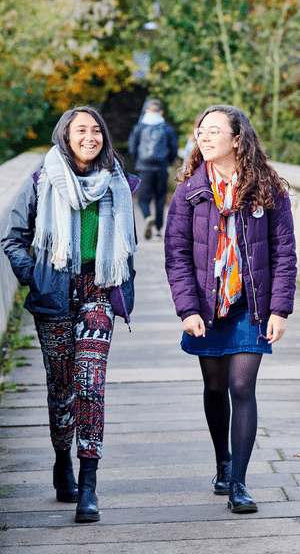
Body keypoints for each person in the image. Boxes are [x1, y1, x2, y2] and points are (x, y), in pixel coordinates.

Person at [1, 106, 137, 524]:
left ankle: (89, 486)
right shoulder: (43, 180)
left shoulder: (117, 181)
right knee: (62, 389)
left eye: (96, 130)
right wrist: (36, 277)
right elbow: (14, 236)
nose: (90, 136)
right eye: (81, 130)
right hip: (55, 292)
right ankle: (63, 462)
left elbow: (128, 244)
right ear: (66, 135)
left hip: (99, 289)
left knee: (91, 384)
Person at [164, 104, 297, 513]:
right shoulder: (189, 190)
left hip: (250, 306)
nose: (204, 137)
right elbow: (177, 255)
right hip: (206, 306)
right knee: (215, 387)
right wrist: (187, 310)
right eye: (201, 131)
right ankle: (222, 460)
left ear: (237, 139)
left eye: (214, 131)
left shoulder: (267, 190)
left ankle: (239, 482)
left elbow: (285, 254)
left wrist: (280, 310)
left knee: (242, 387)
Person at [128, 98, 178, 239]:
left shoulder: (139, 127)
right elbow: (173, 147)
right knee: (160, 198)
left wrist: (138, 161)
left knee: (143, 199)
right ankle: (158, 231)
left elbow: (132, 147)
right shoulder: (166, 127)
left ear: (147, 111)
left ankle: (148, 217)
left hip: (144, 168)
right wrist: (168, 161)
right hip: (161, 167)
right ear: (161, 112)